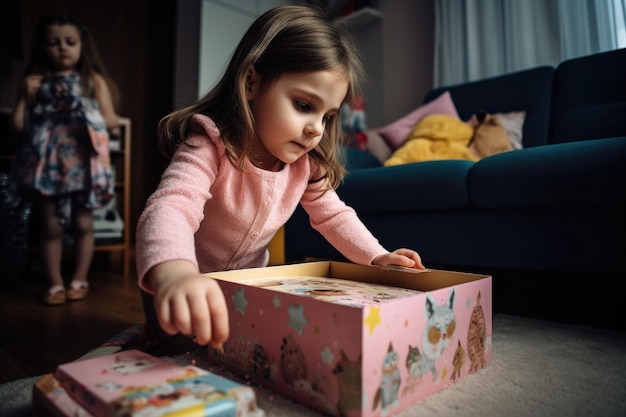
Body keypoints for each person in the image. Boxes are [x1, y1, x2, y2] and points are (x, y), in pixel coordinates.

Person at [135, 5, 425, 348]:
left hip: (243, 289)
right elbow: (172, 206)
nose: (316, 129)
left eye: (328, 116)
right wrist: (175, 272)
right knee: (173, 350)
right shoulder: (210, 144)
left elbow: (334, 216)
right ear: (251, 83)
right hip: (182, 286)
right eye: (304, 105)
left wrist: (376, 257)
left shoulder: (306, 165)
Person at [11, 13, 120, 305]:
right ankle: (55, 283)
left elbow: (110, 120)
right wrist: (24, 96)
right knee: (50, 227)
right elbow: (19, 127)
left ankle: (79, 279)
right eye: (53, 42)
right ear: (42, 47)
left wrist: (86, 110)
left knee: (84, 224)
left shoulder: (92, 81)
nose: (62, 48)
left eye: (70, 42)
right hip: (48, 166)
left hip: (82, 166)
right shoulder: (35, 83)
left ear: (82, 45)